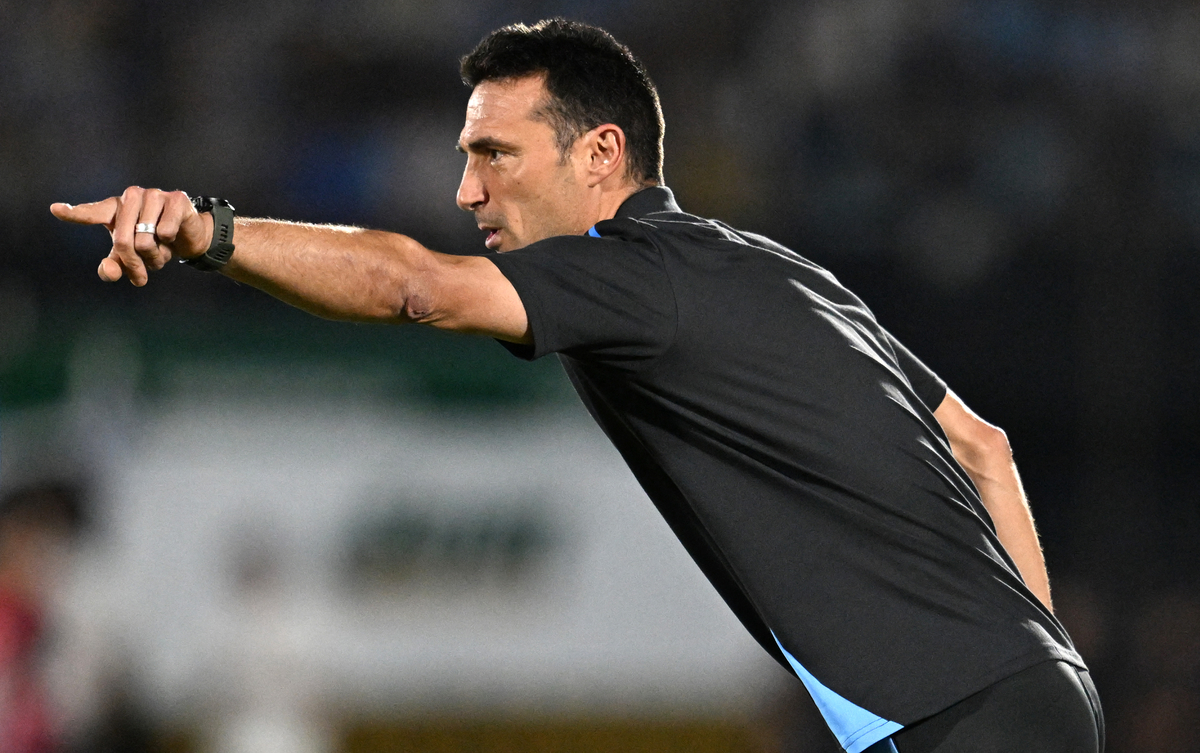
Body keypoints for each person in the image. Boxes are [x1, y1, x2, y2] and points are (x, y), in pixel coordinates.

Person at [51, 18, 1104, 753]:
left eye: (495, 155)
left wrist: (208, 231)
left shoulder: (631, 276)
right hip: (1028, 689)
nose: (466, 189)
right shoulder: (773, 268)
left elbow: (415, 288)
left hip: (959, 717)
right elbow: (984, 446)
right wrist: (1044, 664)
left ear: (601, 153)